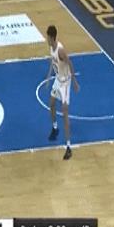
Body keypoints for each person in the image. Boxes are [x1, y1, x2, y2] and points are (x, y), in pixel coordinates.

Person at [45, 25, 79, 160]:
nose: (47, 39)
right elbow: (52, 62)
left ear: (52, 37)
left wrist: (74, 81)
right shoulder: (51, 48)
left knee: (65, 114)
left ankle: (69, 147)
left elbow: (70, 63)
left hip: (65, 83)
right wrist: (48, 77)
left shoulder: (60, 51)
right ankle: (55, 128)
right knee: (51, 104)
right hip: (58, 80)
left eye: (48, 37)